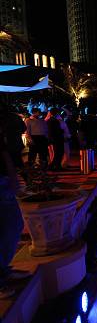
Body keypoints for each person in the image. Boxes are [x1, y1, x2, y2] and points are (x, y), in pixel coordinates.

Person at [0, 120, 29, 299]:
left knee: (13, 225)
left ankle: (3, 271)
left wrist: (12, 177)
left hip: (2, 181)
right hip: (2, 182)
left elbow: (3, 153)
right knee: (9, 227)